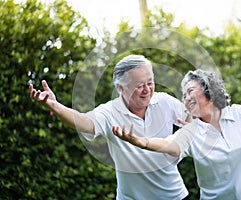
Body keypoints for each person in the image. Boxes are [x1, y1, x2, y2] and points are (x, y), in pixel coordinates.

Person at [29, 55, 191, 200]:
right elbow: (85, 123)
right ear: (120, 88)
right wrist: (55, 106)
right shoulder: (109, 112)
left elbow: (194, 118)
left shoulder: (164, 102)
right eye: (139, 85)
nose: (147, 90)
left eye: (150, 82)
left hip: (174, 195)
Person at [113, 69, 241, 200]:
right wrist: (142, 142)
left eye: (190, 91)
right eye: (184, 96)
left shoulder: (240, 113)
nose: (186, 98)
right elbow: (170, 145)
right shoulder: (191, 130)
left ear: (209, 90)